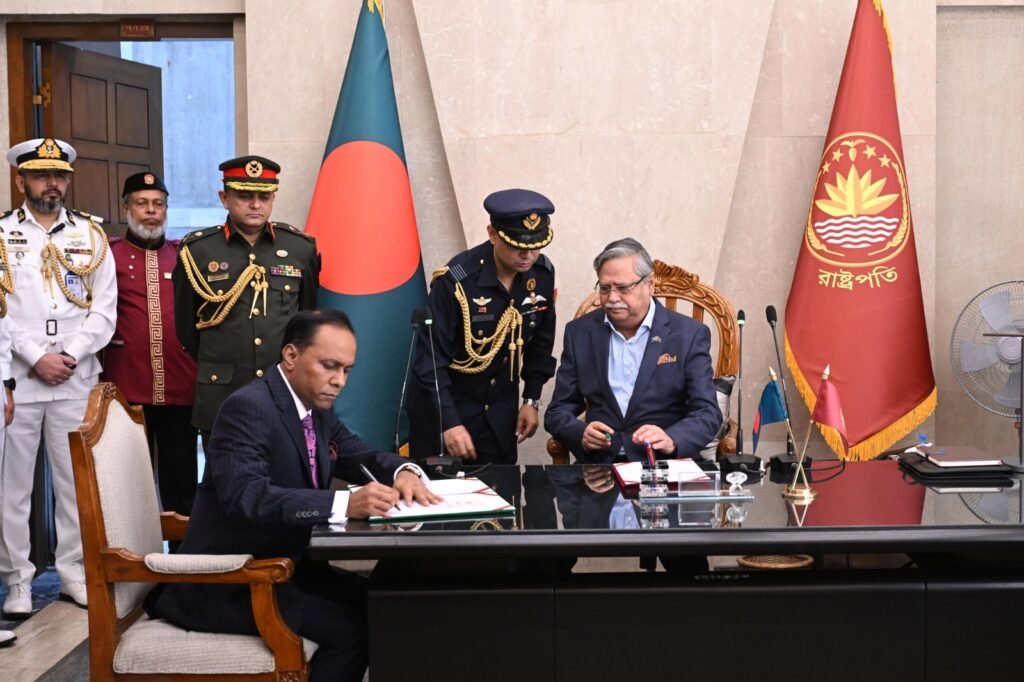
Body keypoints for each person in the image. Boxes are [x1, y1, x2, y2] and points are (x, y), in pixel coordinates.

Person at [145, 309, 439, 682]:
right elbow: (248, 497)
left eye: (347, 370)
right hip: (232, 582)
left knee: (386, 601)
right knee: (351, 632)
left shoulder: (315, 408)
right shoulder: (248, 407)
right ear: (291, 355)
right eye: (329, 366)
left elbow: (358, 453)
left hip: (289, 570)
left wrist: (404, 471)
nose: (339, 381)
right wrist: (345, 503)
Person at [0, 137, 117, 617]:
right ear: (21, 180)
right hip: (18, 379)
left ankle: (74, 573)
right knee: (13, 488)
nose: (53, 183)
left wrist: (66, 356)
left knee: (75, 483)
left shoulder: (92, 235)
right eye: (42, 175)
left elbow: (104, 310)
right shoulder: (2, 234)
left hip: (74, 377)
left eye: (60, 176)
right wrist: (35, 357)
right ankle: (18, 581)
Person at [172, 155, 319, 441]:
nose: (255, 204)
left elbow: (307, 319)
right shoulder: (197, 250)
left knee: (284, 467)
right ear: (224, 198)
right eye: (244, 196)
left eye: (264, 196)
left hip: (283, 390)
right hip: (222, 393)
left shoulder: (299, 249)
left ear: (273, 198)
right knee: (224, 468)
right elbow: (186, 329)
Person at [407, 189, 557, 464]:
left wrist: (531, 399)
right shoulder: (457, 282)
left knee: (501, 489)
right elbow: (430, 362)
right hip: (447, 412)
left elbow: (541, 344)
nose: (528, 255)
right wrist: (448, 422)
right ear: (493, 234)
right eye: (517, 246)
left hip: (500, 417)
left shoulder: (542, 275)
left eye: (536, 246)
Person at [545, 238, 721, 463]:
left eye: (623, 288)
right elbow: (557, 411)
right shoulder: (580, 333)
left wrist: (672, 439)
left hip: (664, 463)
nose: (612, 298)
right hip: (601, 466)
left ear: (650, 284)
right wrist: (581, 434)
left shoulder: (689, 334)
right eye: (605, 288)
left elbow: (707, 412)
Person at [103, 172, 199, 516]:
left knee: (182, 483)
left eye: (158, 204)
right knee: (129, 484)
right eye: (142, 203)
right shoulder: (108, 255)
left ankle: (184, 548)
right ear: (125, 208)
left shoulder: (185, 255)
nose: (151, 211)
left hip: (180, 388)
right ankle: (131, 548)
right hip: (128, 389)